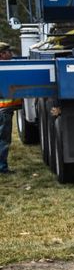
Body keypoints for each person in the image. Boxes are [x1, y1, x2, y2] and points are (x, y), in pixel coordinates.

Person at [0, 42, 18, 174]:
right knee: (3, 140)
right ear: (2, 54)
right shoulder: (3, 69)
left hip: (3, 110)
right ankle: (2, 167)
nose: (11, 54)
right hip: (3, 110)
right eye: (8, 52)